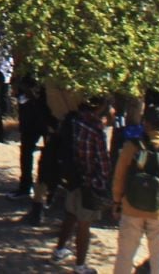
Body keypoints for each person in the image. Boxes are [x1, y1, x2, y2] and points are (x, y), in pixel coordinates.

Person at [111, 103, 159, 274]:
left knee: (125, 256)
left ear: (146, 124)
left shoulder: (131, 148)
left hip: (131, 209)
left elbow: (119, 177)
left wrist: (116, 202)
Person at [51, 96, 111, 274]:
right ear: (100, 107)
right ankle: (80, 265)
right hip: (89, 182)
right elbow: (103, 163)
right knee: (84, 223)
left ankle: (60, 249)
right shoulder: (96, 130)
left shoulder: (74, 119)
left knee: (70, 214)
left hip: (73, 176)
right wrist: (103, 183)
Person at [12, 71, 56, 215]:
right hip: (33, 118)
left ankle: (44, 191)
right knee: (27, 152)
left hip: (44, 117)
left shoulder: (48, 74)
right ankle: (27, 186)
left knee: (48, 156)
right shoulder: (29, 71)